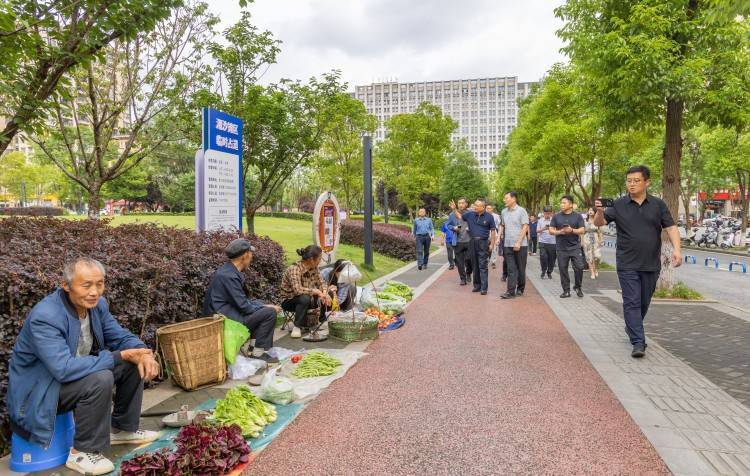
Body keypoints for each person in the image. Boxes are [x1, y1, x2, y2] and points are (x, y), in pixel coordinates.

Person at [8, 258, 160, 476]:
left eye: (100, 284)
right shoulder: (46, 316)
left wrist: (142, 352)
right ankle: (81, 452)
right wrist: (121, 355)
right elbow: (63, 368)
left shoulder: (98, 306)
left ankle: (121, 429)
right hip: (39, 393)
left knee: (130, 363)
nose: (95, 292)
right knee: (100, 378)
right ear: (66, 286)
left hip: (68, 380)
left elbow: (119, 336)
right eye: (86, 285)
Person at [594, 165, 681, 358]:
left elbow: (671, 227)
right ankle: (638, 341)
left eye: (636, 181)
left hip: (651, 263)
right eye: (629, 181)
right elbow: (598, 223)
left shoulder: (658, 205)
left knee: (643, 302)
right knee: (631, 301)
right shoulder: (618, 204)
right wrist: (600, 211)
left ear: (647, 182)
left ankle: (632, 326)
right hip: (627, 263)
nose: (631, 184)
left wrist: (677, 250)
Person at [203, 239, 280, 363]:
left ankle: (253, 349)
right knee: (269, 313)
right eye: (251, 253)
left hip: (226, 314)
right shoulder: (229, 276)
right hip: (225, 321)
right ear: (245, 255)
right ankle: (258, 353)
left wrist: (263, 305)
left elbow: (242, 302)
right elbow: (245, 307)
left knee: (261, 307)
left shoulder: (228, 271)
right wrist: (268, 307)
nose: (252, 257)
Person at [280, 245, 333, 339]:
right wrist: (316, 291)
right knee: (304, 297)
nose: (321, 260)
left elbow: (322, 283)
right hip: (290, 300)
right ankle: (297, 327)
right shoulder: (295, 269)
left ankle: (323, 321)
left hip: (308, 299)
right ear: (312, 259)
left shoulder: (315, 268)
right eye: (320, 258)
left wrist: (325, 293)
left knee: (329, 293)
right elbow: (297, 290)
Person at [449, 198, 496, 295]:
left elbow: (493, 231)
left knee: (483, 265)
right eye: (474, 204)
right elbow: (460, 216)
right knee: (475, 265)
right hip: (472, 241)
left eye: (477, 205)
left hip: (483, 242)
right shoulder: (470, 214)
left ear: (483, 207)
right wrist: (454, 209)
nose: (474, 206)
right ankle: (477, 286)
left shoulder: (489, 217)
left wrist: (492, 244)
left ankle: (484, 288)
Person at [550, 196, 586, 299]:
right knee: (563, 269)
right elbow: (551, 230)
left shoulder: (578, 216)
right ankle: (566, 291)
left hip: (575, 247)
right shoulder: (556, 216)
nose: (561, 205)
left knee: (579, 267)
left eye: (564, 203)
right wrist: (560, 231)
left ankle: (578, 287)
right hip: (561, 248)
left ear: (570, 204)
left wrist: (572, 230)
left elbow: (582, 230)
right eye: (561, 203)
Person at [499, 192, 529, 299]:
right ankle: (510, 291)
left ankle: (520, 288)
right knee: (511, 268)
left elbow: (525, 226)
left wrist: (518, 242)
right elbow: (502, 225)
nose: (504, 200)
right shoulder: (503, 212)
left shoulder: (522, 211)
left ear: (513, 199)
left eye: (506, 198)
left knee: (521, 268)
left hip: (520, 245)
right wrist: (499, 237)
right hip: (507, 244)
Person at [451, 197, 473, 285]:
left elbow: (461, 217)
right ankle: (462, 278)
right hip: (458, 241)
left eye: (462, 203)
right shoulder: (452, 214)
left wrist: (470, 228)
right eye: (459, 203)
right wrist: (453, 228)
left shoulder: (471, 213)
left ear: (466, 204)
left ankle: (468, 273)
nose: (461, 205)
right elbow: (448, 225)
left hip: (469, 240)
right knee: (459, 262)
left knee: (469, 260)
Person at [583, 208, 604, 279]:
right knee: (589, 257)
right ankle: (592, 272)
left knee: (597, 256)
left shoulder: (597, 221)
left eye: (592, 210)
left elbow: (600, 232)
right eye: (589, 210)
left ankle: (595, 269)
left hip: (595, 239)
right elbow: (582, 232)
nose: (590, 212)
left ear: (595, 212)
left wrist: (601, 240)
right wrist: (581, 241)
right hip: (587, 239)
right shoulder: (584, 221)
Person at [537, 206, 557, 279]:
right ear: (543, 213)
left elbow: (557, 230)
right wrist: (544, 228)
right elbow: (537, 231)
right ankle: (543, 271)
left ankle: (549, 272)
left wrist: (552, 229)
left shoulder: (554, 220)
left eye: (549, 213)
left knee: (552, 259)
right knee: (543, 257)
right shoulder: (540, 220)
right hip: (542, 242)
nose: (547, 215)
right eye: (546, 213)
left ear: (551, 213)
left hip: (552, 242)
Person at [486, 204, 502, 270]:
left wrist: (500, 235)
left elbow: (499, 225)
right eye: (487, 208)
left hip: (494, 232)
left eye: (490, 208)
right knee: (486, 247)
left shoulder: (496, 216)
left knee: (495, 248)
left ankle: (493, 262)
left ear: (492, 209)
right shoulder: (483, 215)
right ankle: (486, 261)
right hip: (485, 232)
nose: (488, 209)